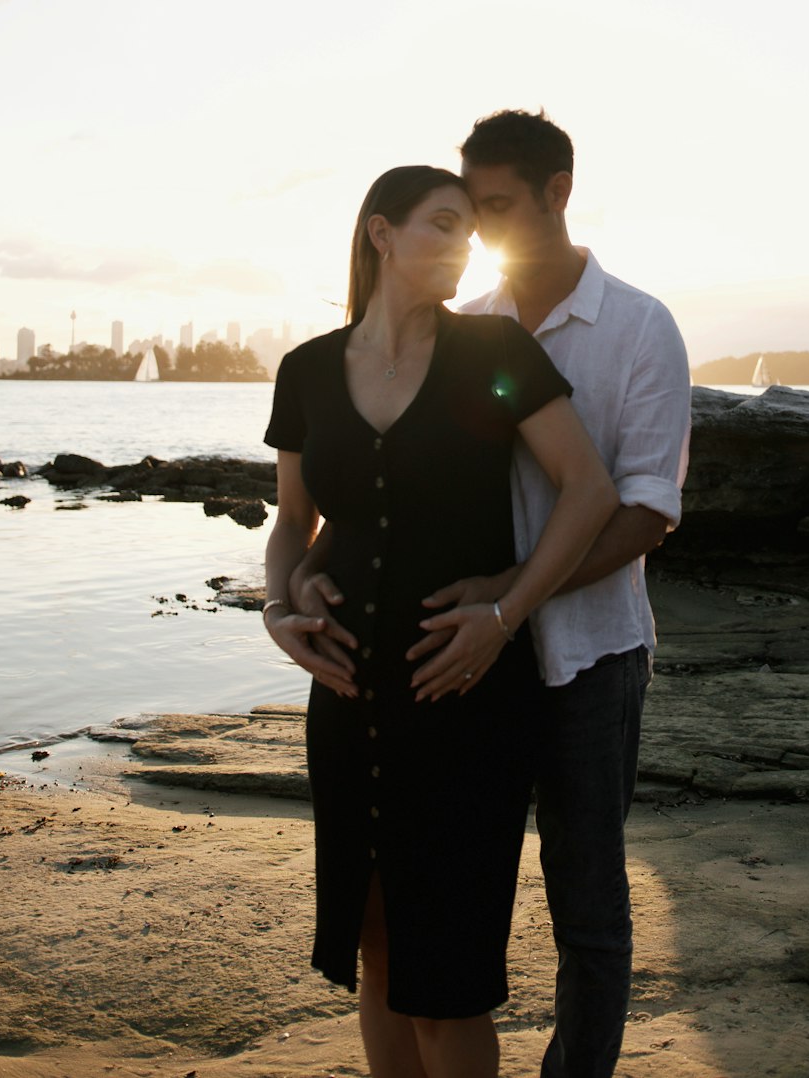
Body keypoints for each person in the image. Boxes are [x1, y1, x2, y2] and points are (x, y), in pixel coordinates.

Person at [296, 116, 692, 1078]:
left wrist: (512, 598)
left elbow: (642, 510)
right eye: (466, 212)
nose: (479, 228)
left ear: (557, 193)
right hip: (468, 667)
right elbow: (382, 476)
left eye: (497, 208)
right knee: (438, 904)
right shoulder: (467, 326)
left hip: (587, 653)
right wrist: (307, 577)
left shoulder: (641, 327)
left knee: (585, 899)